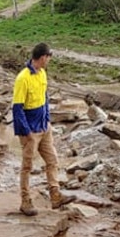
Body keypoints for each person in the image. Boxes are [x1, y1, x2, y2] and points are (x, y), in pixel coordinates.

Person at [12, 42, 72, 217]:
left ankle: (55, 195)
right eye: (48, 58)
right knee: (27, 166)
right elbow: (17, 108)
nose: (49, 61)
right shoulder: (23, 78)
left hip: (44, 126)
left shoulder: (43, 74)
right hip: (30, 129)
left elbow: (44, 98)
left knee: (52, 160)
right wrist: (27, 132)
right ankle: (25, 201)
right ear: (43, 57)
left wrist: (47, 120)